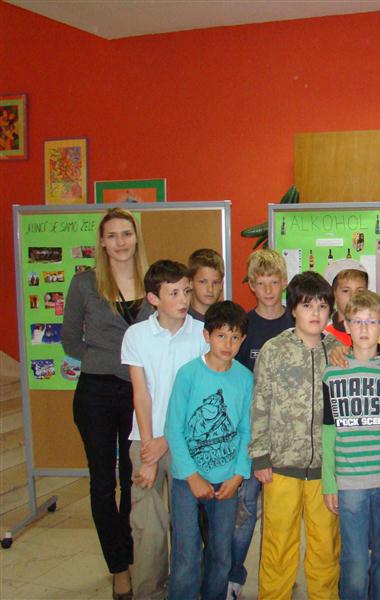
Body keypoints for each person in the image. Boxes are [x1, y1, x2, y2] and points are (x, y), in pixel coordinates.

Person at [62, 208, 151, 600]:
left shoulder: (151, 281)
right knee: (103, 483)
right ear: (101, 242)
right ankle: (118, 569)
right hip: (96, 393)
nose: (120, 242)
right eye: (112, 235)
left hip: (138, 394)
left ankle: (131, 556)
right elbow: (70, 341)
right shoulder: (84, 283)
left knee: (134, 480)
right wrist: (103, 360)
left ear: (136, 237)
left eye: (126, 234)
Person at [249, 271, 343, 600]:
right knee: (278, 545)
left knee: (325, 547)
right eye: (307, 305)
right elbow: (260, 404)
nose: (315, 313)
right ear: (293, 310)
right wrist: (260, 456)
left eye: (322, 306)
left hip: (325, 471)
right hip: (281, 467)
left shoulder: (339, 351)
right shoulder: (274, 350)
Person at [121, 259, 208, 600]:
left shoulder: (201, 335)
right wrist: (149, 452)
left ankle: (186, 591)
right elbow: (141, 394)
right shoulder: (136, 335)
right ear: (153, 298)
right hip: (144, 441)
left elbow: (198, 397)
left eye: (186, 291)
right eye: (174, 293)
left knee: (187, 528)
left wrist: (167, 441)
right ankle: (149, 593)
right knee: (148, 529)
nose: (183, 299)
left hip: (186, 443)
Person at [321, 290, 380, 600]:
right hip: (350, 481)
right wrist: (329, 482)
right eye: (357, 321)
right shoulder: (332, 373)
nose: (363, 328)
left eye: (371, 322)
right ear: (345, 325)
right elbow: (328, 431)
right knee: (355, 559)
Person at [164, 301, 253, 600]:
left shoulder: (245, 378)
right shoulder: (188, 374)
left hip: (226, 481)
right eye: (221, 336)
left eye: (235, 337)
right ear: (206, 336)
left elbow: (247, 431)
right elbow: (173, 429)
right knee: (186, 554)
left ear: (242, 340)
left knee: (221, 553)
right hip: (187, 480)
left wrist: (238, 475)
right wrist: (192, 476)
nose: (228, 344)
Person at [225, 249, 294, 600]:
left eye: (274, 282)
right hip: (252, 434)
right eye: (261, 283)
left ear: (284, 283)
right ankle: (234, 576)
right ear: (251, 285)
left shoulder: (296, 323)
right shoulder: (244, 327)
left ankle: (283, 576)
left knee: (284, 515)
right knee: (246, 510)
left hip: (291, 435)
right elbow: (231, 378)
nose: (268, 290)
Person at [323, 259, 369, 345]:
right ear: (333, 294)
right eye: (346, 291)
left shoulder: (375, 333)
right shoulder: (324, 337)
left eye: (360, 291)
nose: (353, 296)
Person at [187, 248, 225, 321]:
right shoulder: (180, 322)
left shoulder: (231, 321)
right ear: (190, 283)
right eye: (203, 282)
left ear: (221, 285)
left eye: (215, 282)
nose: (210, 289)